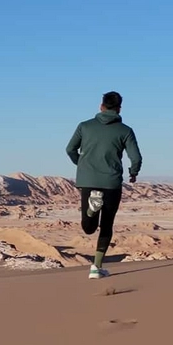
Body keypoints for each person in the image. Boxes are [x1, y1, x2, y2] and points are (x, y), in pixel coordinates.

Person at [66, 91, 142, 278]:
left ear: (101, 106)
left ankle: (92, 209)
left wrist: (82, 165)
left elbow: (70, 149)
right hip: (111, 182)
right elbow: (136, 158)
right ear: (119, 109)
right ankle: (96, 267)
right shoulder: (125, 130)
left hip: (88, 180)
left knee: (88, 227)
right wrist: (133, 172)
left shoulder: (84, 126)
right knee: (107, 225)